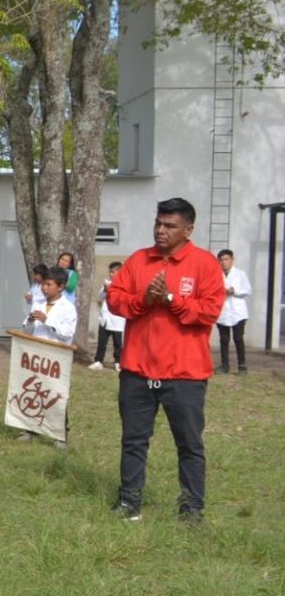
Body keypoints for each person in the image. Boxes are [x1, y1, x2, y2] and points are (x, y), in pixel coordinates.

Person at [105, 198, 224, 523]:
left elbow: (210, 311)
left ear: (188, 230)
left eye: (169, 226)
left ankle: (191, 508)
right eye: (158, 223)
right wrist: (144, 299)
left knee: (189, 444)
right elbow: (114, 299)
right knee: (133, 440)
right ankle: (129, 502)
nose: (161, 230)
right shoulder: (139, 260)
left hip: (184, 375)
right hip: (137, 371)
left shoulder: (205, 264)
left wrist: (171, 298)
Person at [216, 248, 250, 374]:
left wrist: (234, 291)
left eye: (226, 259)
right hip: (223, 312)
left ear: (232, 260)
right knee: (224, 340)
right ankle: (225, 365)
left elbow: (247, 290)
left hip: (238, 312)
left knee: (238, 338)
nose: (223, 262)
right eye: (221, 260)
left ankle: (242, 366)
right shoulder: (216, 274)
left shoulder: (240, 274)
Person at [25, 266, 76, 344]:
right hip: (35, 349)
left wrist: (46, 320)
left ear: (60, 287)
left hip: (55, 352)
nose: (44, 288)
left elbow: (68, 333)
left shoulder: (68, 308)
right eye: (42, 284)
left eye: (48, 285)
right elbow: (28, 331)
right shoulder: (38, 304)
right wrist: (30, 322)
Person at [90, 261, 125, 370]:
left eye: (114, 272)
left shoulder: (124, 285)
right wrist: (105, 290)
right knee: (102, 341)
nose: (111, 274)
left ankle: (118, 362)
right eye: (110, 272)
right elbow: (100, 298)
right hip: (105, 318)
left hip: (117, 319)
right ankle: (99, 360)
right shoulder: (107, 283)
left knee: (118, 343)